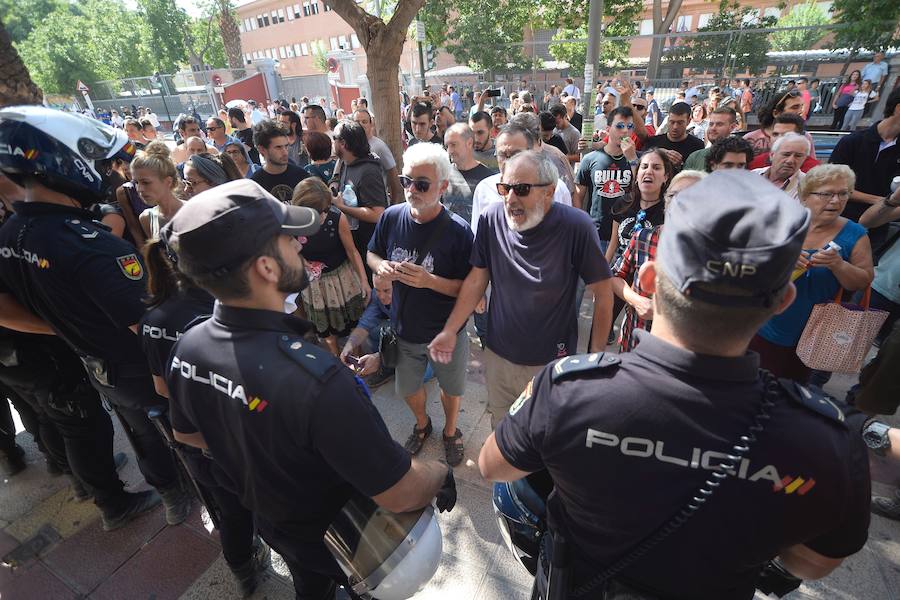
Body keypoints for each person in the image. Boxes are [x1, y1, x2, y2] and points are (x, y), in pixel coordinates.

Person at [480, 169, 871, 600]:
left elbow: (494, 467)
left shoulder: (570, 390)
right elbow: (811, 562)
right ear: (783, 301)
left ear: (648, 280)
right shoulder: (827, 439)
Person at [163, 178, 456, 599]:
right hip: (345, 541)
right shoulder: (318, 382)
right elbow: (401, 491)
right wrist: (440, 472)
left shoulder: (187, 347)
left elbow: (187, 434)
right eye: (287, 239)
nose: (300, 245)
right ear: (265, 268)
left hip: (274, 524)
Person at [0, 106, 191, 531]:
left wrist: (64, 326)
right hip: (142, 366)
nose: (108, 172)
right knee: (174, 433)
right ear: (62, 162)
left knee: (139, 429)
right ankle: (188, 495)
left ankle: (170, 492)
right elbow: (148, 327)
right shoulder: (92, 245)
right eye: (96, 163)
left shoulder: (12, 233)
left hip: (98, 367)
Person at [429, 151, 613, 428]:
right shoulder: (492, 218)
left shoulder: (576, 226)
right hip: (499, 354)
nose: (510, 199)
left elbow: (603, 292)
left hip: (551, 360)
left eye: (522, 189)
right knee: (503, 427)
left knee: (544, 433)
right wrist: (450, 329)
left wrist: (595, 356)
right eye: (505, 188)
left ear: (549, 192)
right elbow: (478, 279)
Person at [138, 235, 270, 596]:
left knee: (231, 513)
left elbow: (162, 388)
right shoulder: (218, 309)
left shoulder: (153, 315)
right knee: (266, 505)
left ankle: (243, 572)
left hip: (193, 440)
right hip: (237, 438)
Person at [367, 143, 474, 466]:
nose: (411, 190)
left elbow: (469, 290)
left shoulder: (459, 232)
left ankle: (451, 431)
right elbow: (372, 253)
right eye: (406, 181)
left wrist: (430, 281)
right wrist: (379, 267)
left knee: (451, 388)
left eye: (421, 184)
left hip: (446, 333)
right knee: (407, 387)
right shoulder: (391, 216)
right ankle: (423, 424)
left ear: (442, 186)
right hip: (405, 329)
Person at [750, 164, 873, 383]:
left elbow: (863, 281)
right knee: (751, 379)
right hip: (763, 323)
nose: (836, 201)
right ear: (805, 196)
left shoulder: (855, 234)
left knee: (791, 390)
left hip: (814, 333)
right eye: (826, 194)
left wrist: (839, 265)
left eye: (843, 193)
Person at [611, 170, 706, 352]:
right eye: (673, 195)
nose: (679, 201)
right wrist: (637, 301)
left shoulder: (712, 253)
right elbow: (616, 276)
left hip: (680, 354)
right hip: (634, 344)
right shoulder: (643, 237)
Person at [292, 178, 369, 355]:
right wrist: (302, 261)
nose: (324, 214)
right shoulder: (293, 223)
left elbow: (352, 252)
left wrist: (364, 280)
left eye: (327, 209)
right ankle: (337, 358)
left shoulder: (336, 218)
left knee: (353, 322)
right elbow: (291, 250)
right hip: (315, 284)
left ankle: (357, 356)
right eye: (319, 211)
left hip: (343, 278)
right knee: (326, 329)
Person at [471, 123, 572, 235]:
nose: (508, 161)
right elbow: (478, 236)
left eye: (516, 154)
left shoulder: (556, 188)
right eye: (502, 155)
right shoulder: (484, 189)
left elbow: (566, 233)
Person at [829, 87, 900, 248]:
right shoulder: (853, 142)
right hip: (838, 220)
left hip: (877, 229)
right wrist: (881, 200)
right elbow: (832, 184)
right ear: (898, 108)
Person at [574, 107, 637, 253]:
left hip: (625, 236)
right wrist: (582, 225)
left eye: (629, 126)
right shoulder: (591, 159)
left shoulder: (638, 161)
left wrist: (633, 159)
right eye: (620, 126)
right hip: (596, 234)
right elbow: (578, 195)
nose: (625, 131)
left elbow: (641, 190)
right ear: (608, 129)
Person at [332, 120, 389, 277]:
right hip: (354, 246)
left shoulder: (368, 171)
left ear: (342, 143)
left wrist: (342, 207)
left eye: (334, 138)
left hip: (368, 249)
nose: (332, 142)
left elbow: (377, 214)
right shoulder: (346, 163)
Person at [606, 149, 673, 267]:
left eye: (656, 168)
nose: (649, 172)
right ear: (636, 176)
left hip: (648, 277)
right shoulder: (623, 203)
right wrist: (603, 271)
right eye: (644, 167)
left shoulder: (669, 211)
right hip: (618, 274)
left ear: (665, 177)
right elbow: (613, 243)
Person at [443, 123, 497, 225]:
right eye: (447, 146)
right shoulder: (442, 175)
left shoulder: (488, 179)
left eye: (453, 145)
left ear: (469, 143)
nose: (449, 151)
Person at [132, 142, 183, 240]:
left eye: (146, 182)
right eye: (136, 182)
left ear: (168, 181)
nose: (139, 189)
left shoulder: (191, 211)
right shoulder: (146, 217)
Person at [352, 109, 404, 204]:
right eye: (357, 122)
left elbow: (393, 176)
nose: (361, 125)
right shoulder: (350, 147)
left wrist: (393, 203)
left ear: (371, 124)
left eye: (364, 122)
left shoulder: (379, 146)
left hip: (378, 202)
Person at [251, 120, 310, 204]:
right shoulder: (255, 185)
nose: (285, 152)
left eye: (286, 146)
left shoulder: (301, 176)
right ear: (262, 149)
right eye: (278, 147)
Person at [745, 91, 816, 158]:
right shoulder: (750, 138)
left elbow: (811, 168)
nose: (800, 112)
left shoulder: (805, 137)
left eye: (801, 107)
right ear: (776, 113)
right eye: (795, 107)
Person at [748, 114, 821, 173]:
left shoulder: (814, 170)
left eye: (786, 135)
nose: (778, 139)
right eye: (775, 134)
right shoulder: (754, 163)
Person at [642, 102, 704, 172]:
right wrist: (656, 153)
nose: (675, 127)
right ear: (668, 120)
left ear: (688, 121)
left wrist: (681, 166)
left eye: (680, 123)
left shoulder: (697, 145)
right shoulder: (652, 142)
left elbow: (697, 175)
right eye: (672, 122)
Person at [752, 133, 809, 200]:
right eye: (786, 154)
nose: (790, 161)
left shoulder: (808, 186)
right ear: (772, 155)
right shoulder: (752, 175)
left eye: (798, 156)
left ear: (804, 159)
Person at [683, 106, 739, 172]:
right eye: (711, 124)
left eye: (719, 124)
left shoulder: (740, 157)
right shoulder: (695, 157)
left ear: (732, 127)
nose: (713, 128)